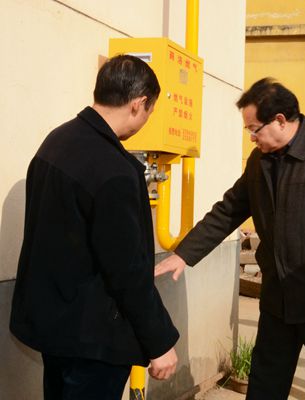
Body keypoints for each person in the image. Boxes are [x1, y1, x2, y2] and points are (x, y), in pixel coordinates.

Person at [155, 77, 305, 399]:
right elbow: (229, 210)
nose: (252, 137)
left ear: (281, 120)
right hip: (278, 299)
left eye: (254, 129)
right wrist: (184, 254)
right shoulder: (260, 161)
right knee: (264, 386)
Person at [10, 55, 179, 400]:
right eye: (150, 111)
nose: (146, 120)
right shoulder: (113, 169)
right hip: (94, 340)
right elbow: (127, 270)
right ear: (139, 103)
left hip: (54, 329)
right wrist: (160, 341)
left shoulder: (56, 141)